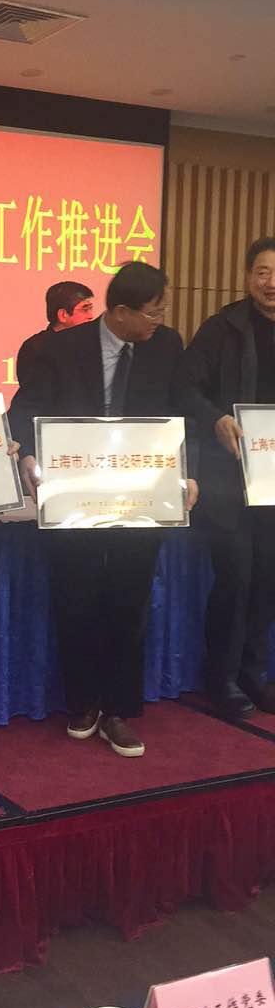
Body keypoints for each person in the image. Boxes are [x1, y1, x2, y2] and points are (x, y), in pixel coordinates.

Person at [10, 261, 198, 758]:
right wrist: (28, 455)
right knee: (76, 598)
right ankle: (83, 702)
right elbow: (26, 408)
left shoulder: (166, 345)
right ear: (119, 312)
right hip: (76, 493)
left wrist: (189, 471)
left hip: (141, 493)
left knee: (129, 601)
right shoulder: (60, 347)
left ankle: (119, 709)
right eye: (151, 312)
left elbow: (181, 413)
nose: (158, 321)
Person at [177, 236, 275, 720]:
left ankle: (254, 672)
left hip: (274, 479)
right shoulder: (223, 328)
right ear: (247, 276)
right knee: (236, 577)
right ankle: (223, 678)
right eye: (262, 272)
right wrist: (215, 417)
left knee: (268, 578)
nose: (271, 282)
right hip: (228, 476)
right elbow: (184, 388)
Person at [16, 281, 95, 387]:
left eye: (91, 308)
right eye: (85, 309)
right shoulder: (36, 348)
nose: (91, 316)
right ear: (63, 315)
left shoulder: (92, 345)